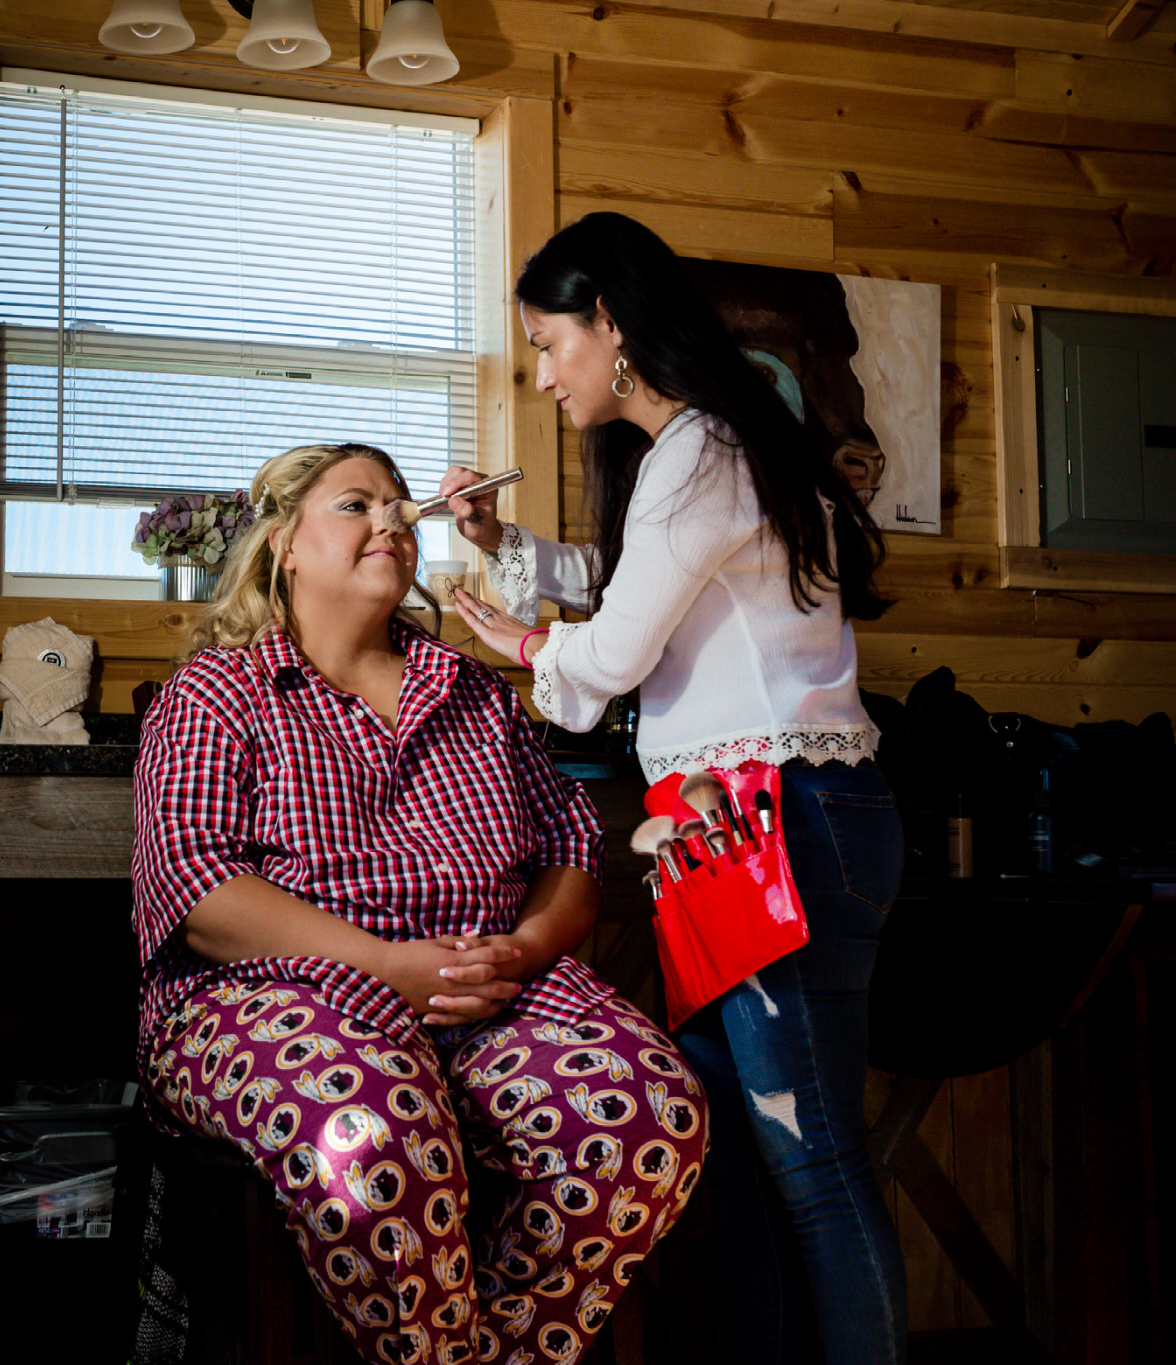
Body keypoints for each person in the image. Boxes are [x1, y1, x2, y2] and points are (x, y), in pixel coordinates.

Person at [131, 442, 709, 1365]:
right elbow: (200, 886)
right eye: (356, 504)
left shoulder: (475, 694)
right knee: (375, 1140)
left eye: (400, 506)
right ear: (283, 545)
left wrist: (525, 948)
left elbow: (570, 845)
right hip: (280, 993)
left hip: (490, 985)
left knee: (647, 1113)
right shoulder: (219, 690)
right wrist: (389, 964)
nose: (392, 520)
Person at [445, 213, 908, 1364]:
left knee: (808, 1160)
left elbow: (601, 666)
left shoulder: (696, 451)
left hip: (775, 824)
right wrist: (505, 547)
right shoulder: (705, 450)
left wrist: (524, 646)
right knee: (750, 1156)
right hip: (751, 828)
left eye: (551, 344)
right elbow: (623, 580)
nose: (545, 376)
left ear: (610, 323)